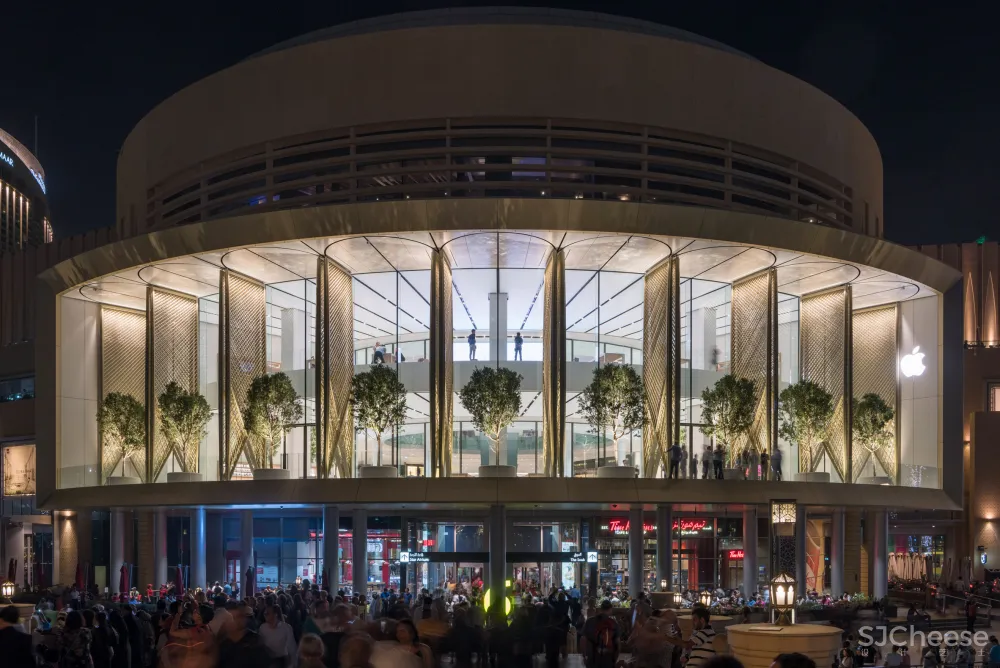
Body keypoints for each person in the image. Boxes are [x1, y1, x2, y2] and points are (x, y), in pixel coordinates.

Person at [218, 602, 270, 668]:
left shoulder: (255, 642)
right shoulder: (222, 644)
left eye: (238, 616)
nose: (235, 620)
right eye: (230, 618)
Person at [583, 600, 619, 668]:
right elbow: (618, 645)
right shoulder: (614, 623)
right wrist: (614, 660)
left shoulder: (589, 621)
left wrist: (584, 656)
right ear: (610, 609)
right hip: (608, 659)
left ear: (601, 609)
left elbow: (583, 640)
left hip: (592, 659)